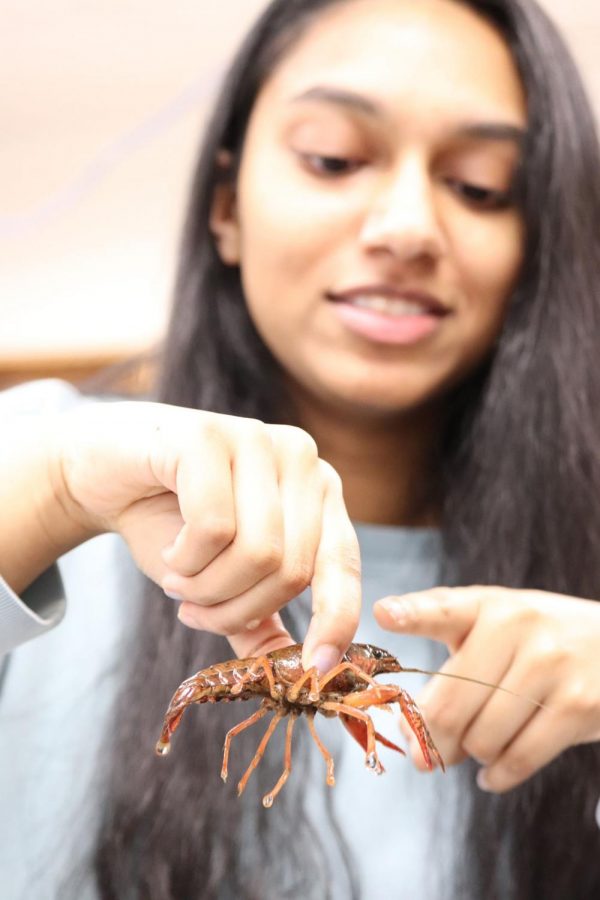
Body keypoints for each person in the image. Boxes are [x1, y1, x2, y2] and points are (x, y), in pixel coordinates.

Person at [2, 0, 600, 897]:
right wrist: (48, 491)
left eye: (480, 186)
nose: (406, 228)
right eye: (333, 159)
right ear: (224, 206)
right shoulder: (40, 450)